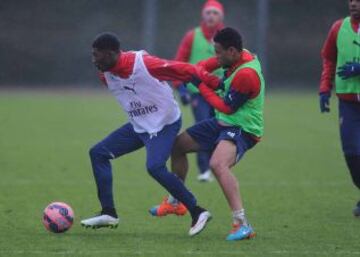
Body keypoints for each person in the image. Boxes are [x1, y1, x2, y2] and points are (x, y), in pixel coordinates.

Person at [80, 32, 220, 236]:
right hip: (140, 126)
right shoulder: (105, 74)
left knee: (154, 166)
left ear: (111, 54)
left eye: (96, 55)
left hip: (165, 123)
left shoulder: (145, 63)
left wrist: (216, 84)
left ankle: (198, 211)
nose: (93, 60)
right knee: (98, 153)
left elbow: (187, 70)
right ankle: (109, 213)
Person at [150, 28, 265, 241]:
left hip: (243, 128)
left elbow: (226, 106)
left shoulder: (246, 74)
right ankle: (176, 201)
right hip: (222, 122)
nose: (216, 57)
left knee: (217, 165)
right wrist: (198, 74)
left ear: (232, 51)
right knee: (177, 146)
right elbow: (200, 66)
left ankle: (242, 224)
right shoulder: (237, 55)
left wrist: (201, 84)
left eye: (219, 52)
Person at [175, 0, 225, 182]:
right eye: (208, 12)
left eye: (215, 13)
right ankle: (204, 170)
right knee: (203, 125)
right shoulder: (192, 36)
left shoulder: (226, 37)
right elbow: (179, 63)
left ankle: (217, 164)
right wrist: (181, 88)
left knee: (221, 127)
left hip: (222, 92)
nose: (211, 16)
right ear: (203, 15)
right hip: (198, 92)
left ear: (221, 16)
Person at [319, 0, 360, 217]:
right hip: (348, 103)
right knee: (352, 153)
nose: (353, 3)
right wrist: (325, 88)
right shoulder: (338, 27)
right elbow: (328, 59)